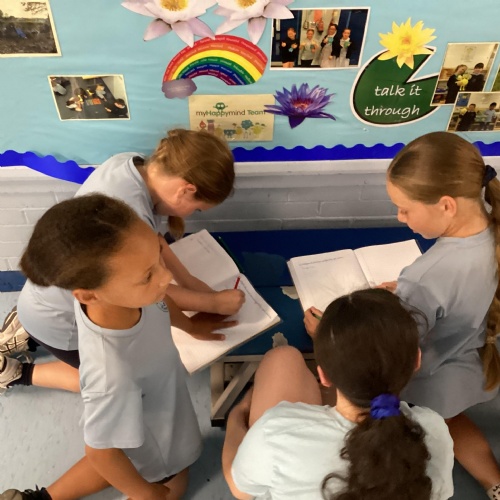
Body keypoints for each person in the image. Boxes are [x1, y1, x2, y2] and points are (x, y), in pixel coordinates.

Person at [303, 132, 500, 498]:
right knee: (450, 420)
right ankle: (496, 484)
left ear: (446, 206)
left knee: (338, 400)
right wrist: (409, 292)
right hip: (465, 368)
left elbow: (389, 344)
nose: (399, 216)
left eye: (405, 209)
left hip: (420, 380)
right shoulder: (492, 235)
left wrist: (327, 334)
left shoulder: (426, 277)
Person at [0, 128, 244, 394]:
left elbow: (153, 243)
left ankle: (26, 330)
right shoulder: (132, 210)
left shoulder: (133, 165)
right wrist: (203, 311)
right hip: (63, 322)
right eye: (197, 208)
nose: (192, 214)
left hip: (47, 294)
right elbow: (153, 294)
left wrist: (188, 280)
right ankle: (16, 373)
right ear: (186, 190)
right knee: (124, 385)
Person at [1, 194, 202, 500]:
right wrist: (144, 492)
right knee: (172, 480)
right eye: (149, 275)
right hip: (158, 443)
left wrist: (191, 326)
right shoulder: (112, 375)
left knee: (124, 448)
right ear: (89, 295)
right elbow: (101, 453)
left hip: (157, 403)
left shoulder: (130, 296)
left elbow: (162, 303)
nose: (167, 277)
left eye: (158, 256)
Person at [223, 289, 454, 500]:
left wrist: (237, 415)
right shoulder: (433, 430)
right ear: (416, 361)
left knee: (282, 358)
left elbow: (240, 491)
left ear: (323, 375)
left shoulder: (276, 433)